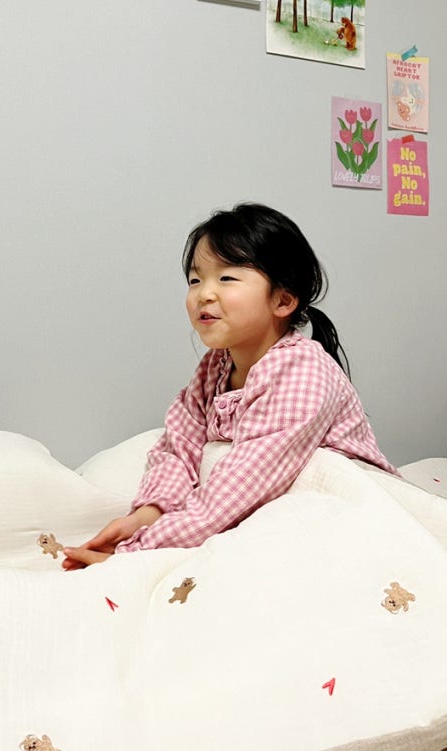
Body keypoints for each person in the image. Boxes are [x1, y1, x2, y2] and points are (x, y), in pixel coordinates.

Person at [62, 203, 397, 570]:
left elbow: (234, 493)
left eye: (226, 278)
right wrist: (146, 515)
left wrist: (135, 552)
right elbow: (180, 446)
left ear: (283, 300)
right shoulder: (215, 366)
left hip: (340, 506)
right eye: (195, 280)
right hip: (248, 500)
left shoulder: (304, 371)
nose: (204, 294)